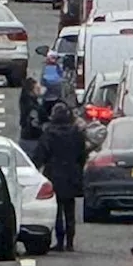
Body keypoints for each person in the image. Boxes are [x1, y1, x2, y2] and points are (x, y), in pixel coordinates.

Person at [33, 103, 87, 252]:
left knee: (56, 210)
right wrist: (78, 168)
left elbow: (41, 155)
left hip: (54, 174)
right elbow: (82, 154)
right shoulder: (76, 132)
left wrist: (35, 168)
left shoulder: (49, 133)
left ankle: (59, 240)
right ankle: (70, 241)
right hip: (72, 174)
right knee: (70, 209)